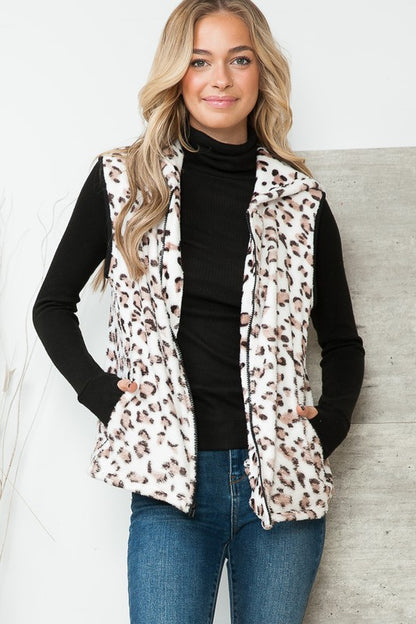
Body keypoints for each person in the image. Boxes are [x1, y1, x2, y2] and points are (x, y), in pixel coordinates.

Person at [32, 1, 365, 622]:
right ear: (177, 74)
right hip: (169, 486)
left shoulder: (300, 201)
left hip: (284, 486)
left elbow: (343, 342)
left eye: (239, 60)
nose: (221, 79)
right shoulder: (125, 181)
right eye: (200, 61)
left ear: (261, 72)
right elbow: (51, 306)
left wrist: (329, 427)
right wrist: (105, 398)